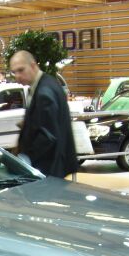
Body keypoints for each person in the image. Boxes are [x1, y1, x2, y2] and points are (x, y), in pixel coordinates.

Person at [9, 50, 78, 178]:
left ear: (33, 65)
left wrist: (26, 158)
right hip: (55, 164)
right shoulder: (48, 82)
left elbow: (48, 136)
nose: (17, 75)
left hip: (49, 167)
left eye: (21, 70)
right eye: (14, 72)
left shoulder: (44, 92)